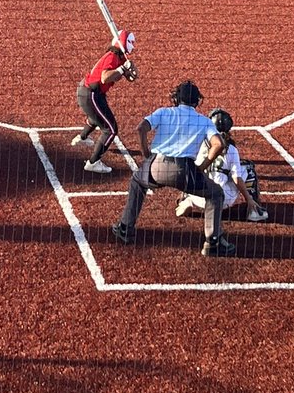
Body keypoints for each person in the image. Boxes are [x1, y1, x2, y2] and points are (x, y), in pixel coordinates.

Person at [111, 79, 236, 257]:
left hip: (156, 166)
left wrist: (146, 153)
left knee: (137, 182)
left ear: (176, 98)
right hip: (185, 171)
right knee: (215, 193)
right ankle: (212, 243)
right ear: (196, 101)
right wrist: (202, 167)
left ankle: (125, 228)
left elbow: (141, 128)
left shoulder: (164, 112)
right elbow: (218, 144)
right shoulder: (204, 121)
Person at [175, 107, 268, 222]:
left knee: (190, 166)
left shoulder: (197, 143)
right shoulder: (231, 149)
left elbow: (187, 167)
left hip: (197, 196)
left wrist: (184, 190)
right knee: (247, 168)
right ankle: (254, 211)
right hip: (222, 200)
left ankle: (186, 199)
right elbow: (236, 178)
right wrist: (248, 199)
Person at [71, 30, 138, 174]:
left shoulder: (120, 58)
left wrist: (128, 70)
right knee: (111, 129)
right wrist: (122, 69)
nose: (133, 45)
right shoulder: (112, 56)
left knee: (95, 117)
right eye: (131, 42)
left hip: (92, 93)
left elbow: (132, 78)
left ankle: (82, 138)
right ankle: (93, 163)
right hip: (90, 94)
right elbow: (104, 78)